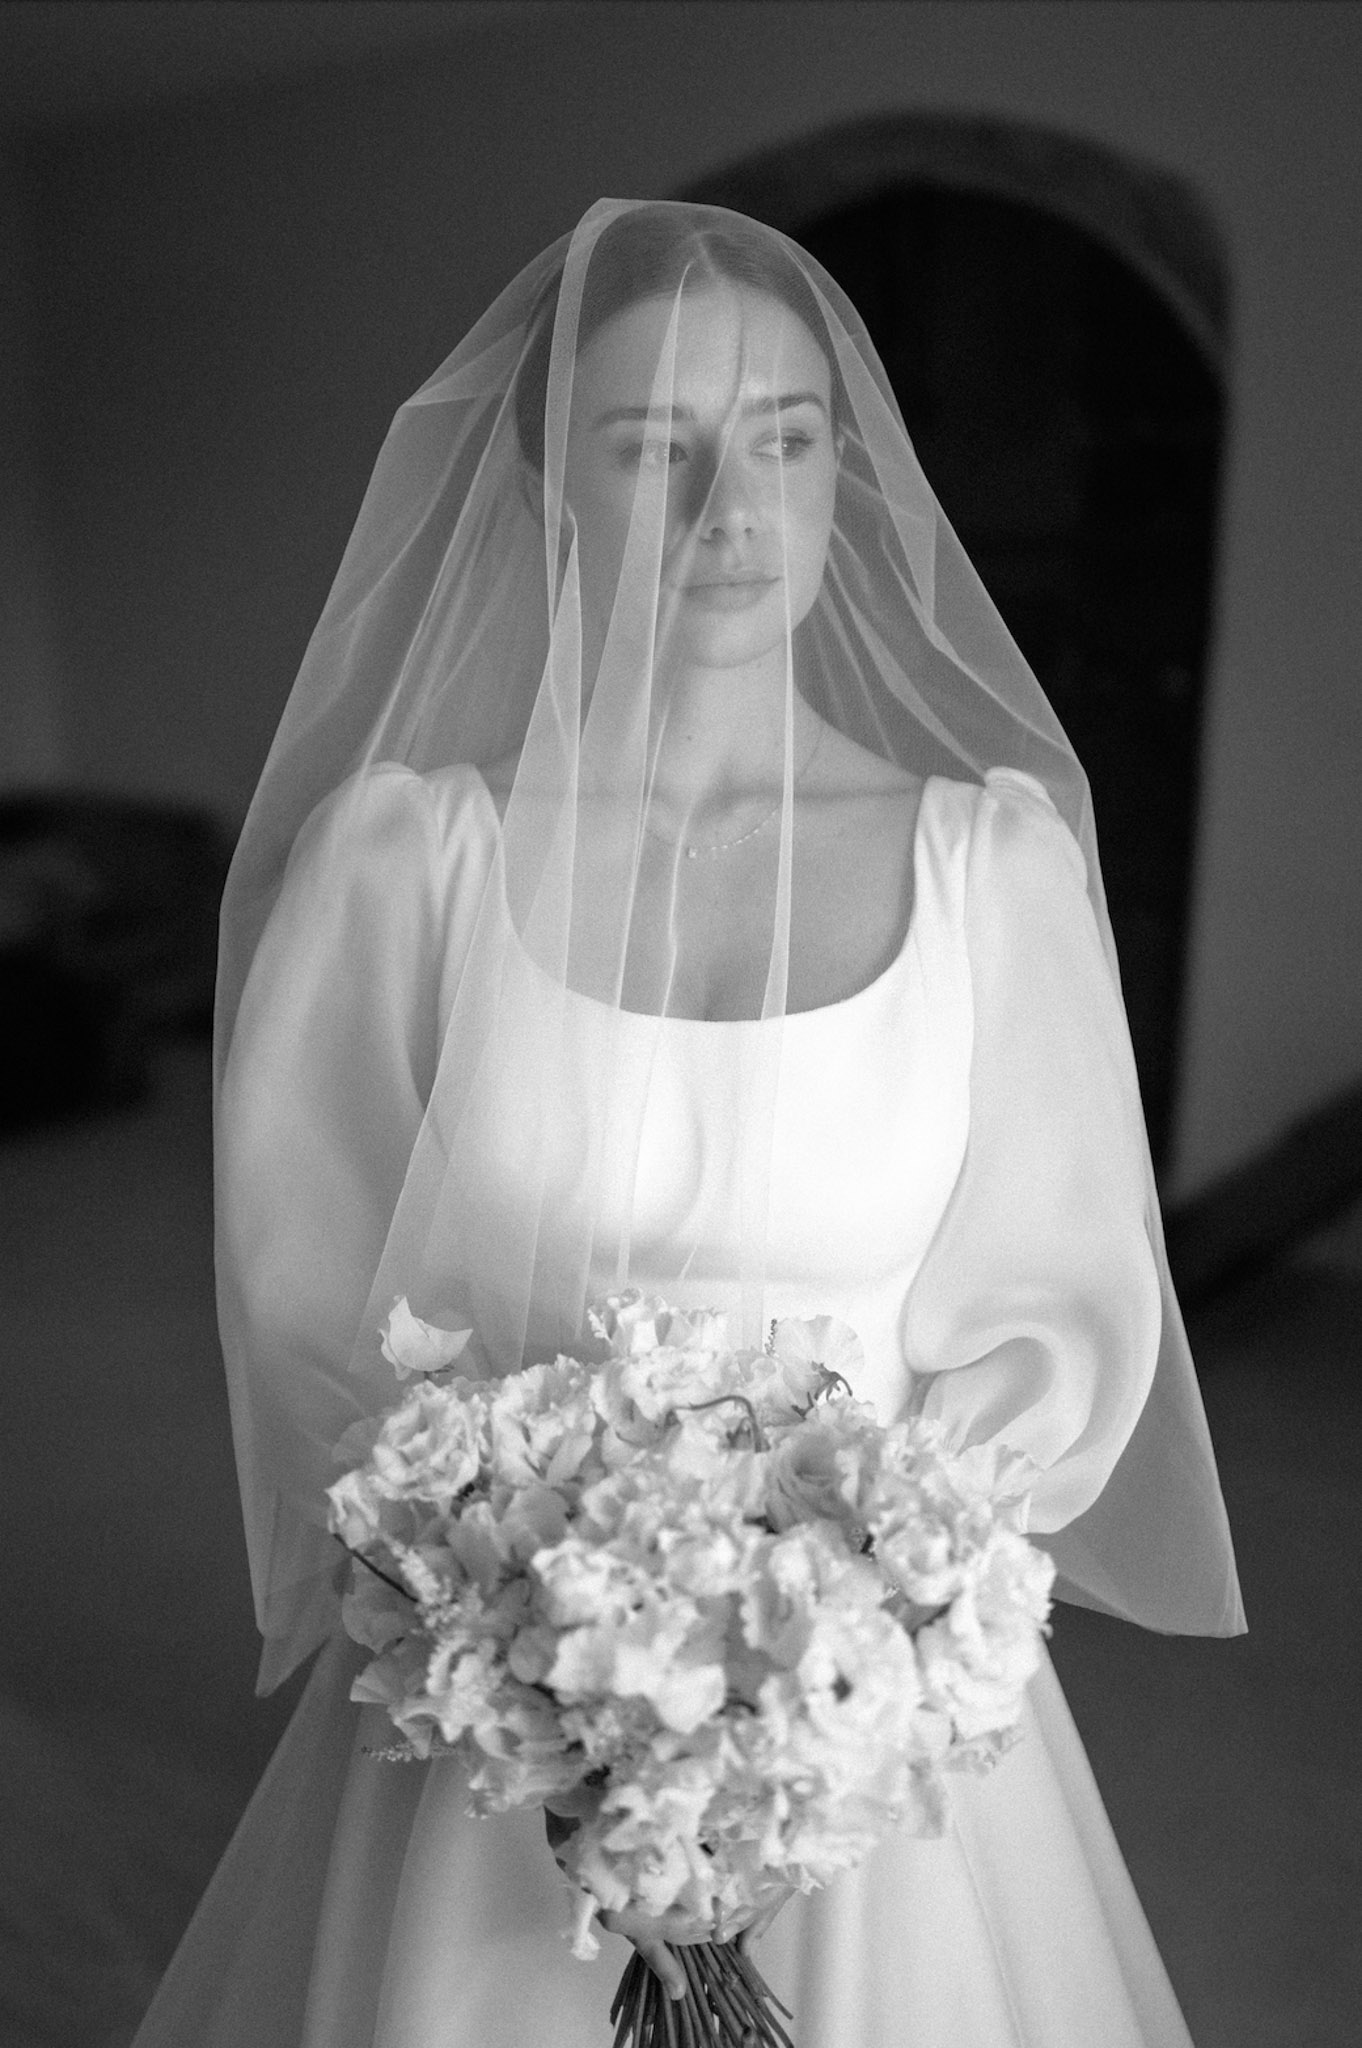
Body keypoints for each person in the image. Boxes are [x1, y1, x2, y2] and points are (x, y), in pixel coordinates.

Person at [132, 199, 1243, 2048]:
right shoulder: (408, 866)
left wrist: (850, 1632)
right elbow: (314, 1306)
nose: (735, 505)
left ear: (842, 474)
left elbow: (1057, 1319)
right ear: (546, 490)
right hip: (511, 1701)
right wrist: (525, 1637)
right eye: (654, 448)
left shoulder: (993, 872)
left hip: (867, 1712)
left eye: (789, 439)